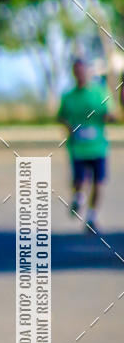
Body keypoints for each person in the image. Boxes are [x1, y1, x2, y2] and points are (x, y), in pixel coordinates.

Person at [58, 58, 115, 234]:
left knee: (98, 183)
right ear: (74, 74)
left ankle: (92, 216)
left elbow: (110, 113)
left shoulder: (99, 93)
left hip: (98, 146)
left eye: (82, 71)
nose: (80, 75)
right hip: (78, 147)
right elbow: (61, 116)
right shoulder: (68, 97)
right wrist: (69, 126)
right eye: (77, 72)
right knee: (79, 180)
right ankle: (79, 197)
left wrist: (109, 117)